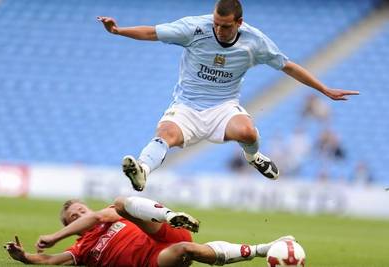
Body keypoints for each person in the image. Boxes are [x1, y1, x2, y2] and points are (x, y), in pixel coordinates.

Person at [97, 0, 359, 191]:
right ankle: (142, 169)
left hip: (223, 106)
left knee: (248, 133)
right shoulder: (194, 28)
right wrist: (119, 31)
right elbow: (153, 32)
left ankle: (253, 157)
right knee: (165, 134)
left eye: (225, 26)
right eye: (216, 24)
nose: (219, 30)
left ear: (239, 23)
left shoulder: (255, 42)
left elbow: (287, 65)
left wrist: (323, 89)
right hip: (186, 106)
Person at [4, 196, 294, 266]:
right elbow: (49, 261)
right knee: (186, 250)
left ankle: (171, 216)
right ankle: (263, 249)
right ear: (70, 226)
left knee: (121, 203)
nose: (81, 214)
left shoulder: (103, 215)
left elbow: (98, 216)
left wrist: (54, 236)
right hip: (155, 260)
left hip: (160, 233)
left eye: (81, 209)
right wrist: (24, 257)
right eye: (74, 216)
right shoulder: (81, 249)